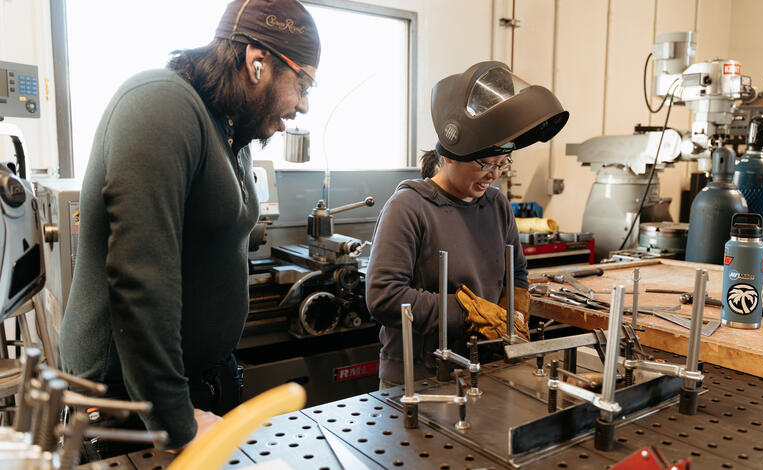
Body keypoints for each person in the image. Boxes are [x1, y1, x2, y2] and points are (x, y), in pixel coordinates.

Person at [59, 0, 320, 457]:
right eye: (303, 82)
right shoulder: (160, 104)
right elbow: (140, 279)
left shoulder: (230, 129)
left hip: (199, 384)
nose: (303, 104)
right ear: (257, 62)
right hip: (127, 407)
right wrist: (174, 419)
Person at [366, 61, 569, 387]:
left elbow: (515, 274)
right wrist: (469, 314)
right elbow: (384, 298)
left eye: (503, 164)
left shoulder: (497, 205)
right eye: (484, 164)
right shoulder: (408, 207)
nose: (494, 174)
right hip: (419, 379)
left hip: (484, 369)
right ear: (448, 155)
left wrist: (512, 316)